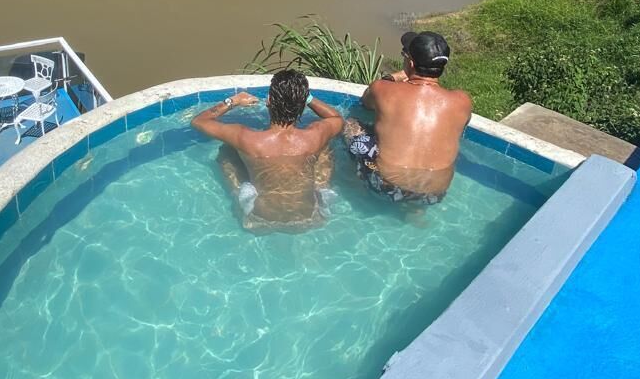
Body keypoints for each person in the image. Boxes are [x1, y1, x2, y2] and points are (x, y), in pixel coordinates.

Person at [190, 69, 344, 231]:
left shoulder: (245, 138)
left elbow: (199, 121)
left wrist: (233, 101)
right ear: (302, 104)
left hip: (259, 220)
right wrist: (308, 98)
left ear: (269, 100)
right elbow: (336, 119)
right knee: (325, 147)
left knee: (226, 150)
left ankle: (238, 193)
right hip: (309, 218)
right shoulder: (315, 135)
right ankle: (322, 189)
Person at [344, 31, 472, 205]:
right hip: (434, 194)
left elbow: (366, 102)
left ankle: (356, 188)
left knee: (351, 124)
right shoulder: (462, 101)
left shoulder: (383, 89)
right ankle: (414, 210)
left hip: (385, 185)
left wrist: (398, 76)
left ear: (410, 63)